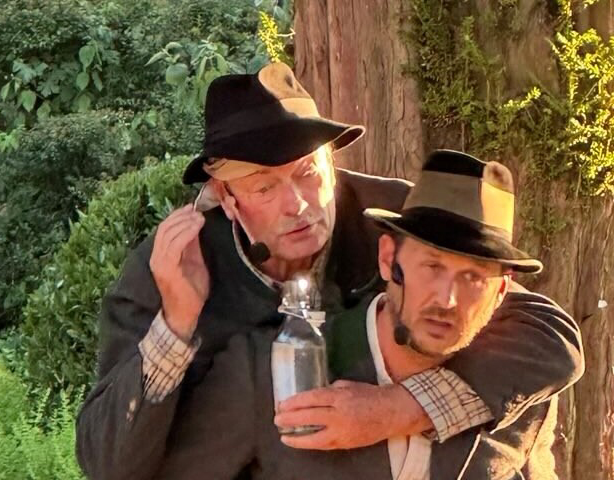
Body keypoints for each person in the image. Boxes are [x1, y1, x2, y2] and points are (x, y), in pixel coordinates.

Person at [74, 63, 582, 479]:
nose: (296, 204)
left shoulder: (398, 219)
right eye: (264, 187)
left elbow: (546, 332)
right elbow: (110, 466)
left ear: (332, 164)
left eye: (308, 172)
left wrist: (400, 408)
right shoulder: (171, 266)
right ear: (225, 198)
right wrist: (177, 323)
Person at [244, 150, 568, 479]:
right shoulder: (272, 367)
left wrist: (403, 408)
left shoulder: (519, 385)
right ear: (387, 259)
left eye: (474, 277)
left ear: (501, 292)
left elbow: (557, 336)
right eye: (432, 266)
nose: (447, 299)